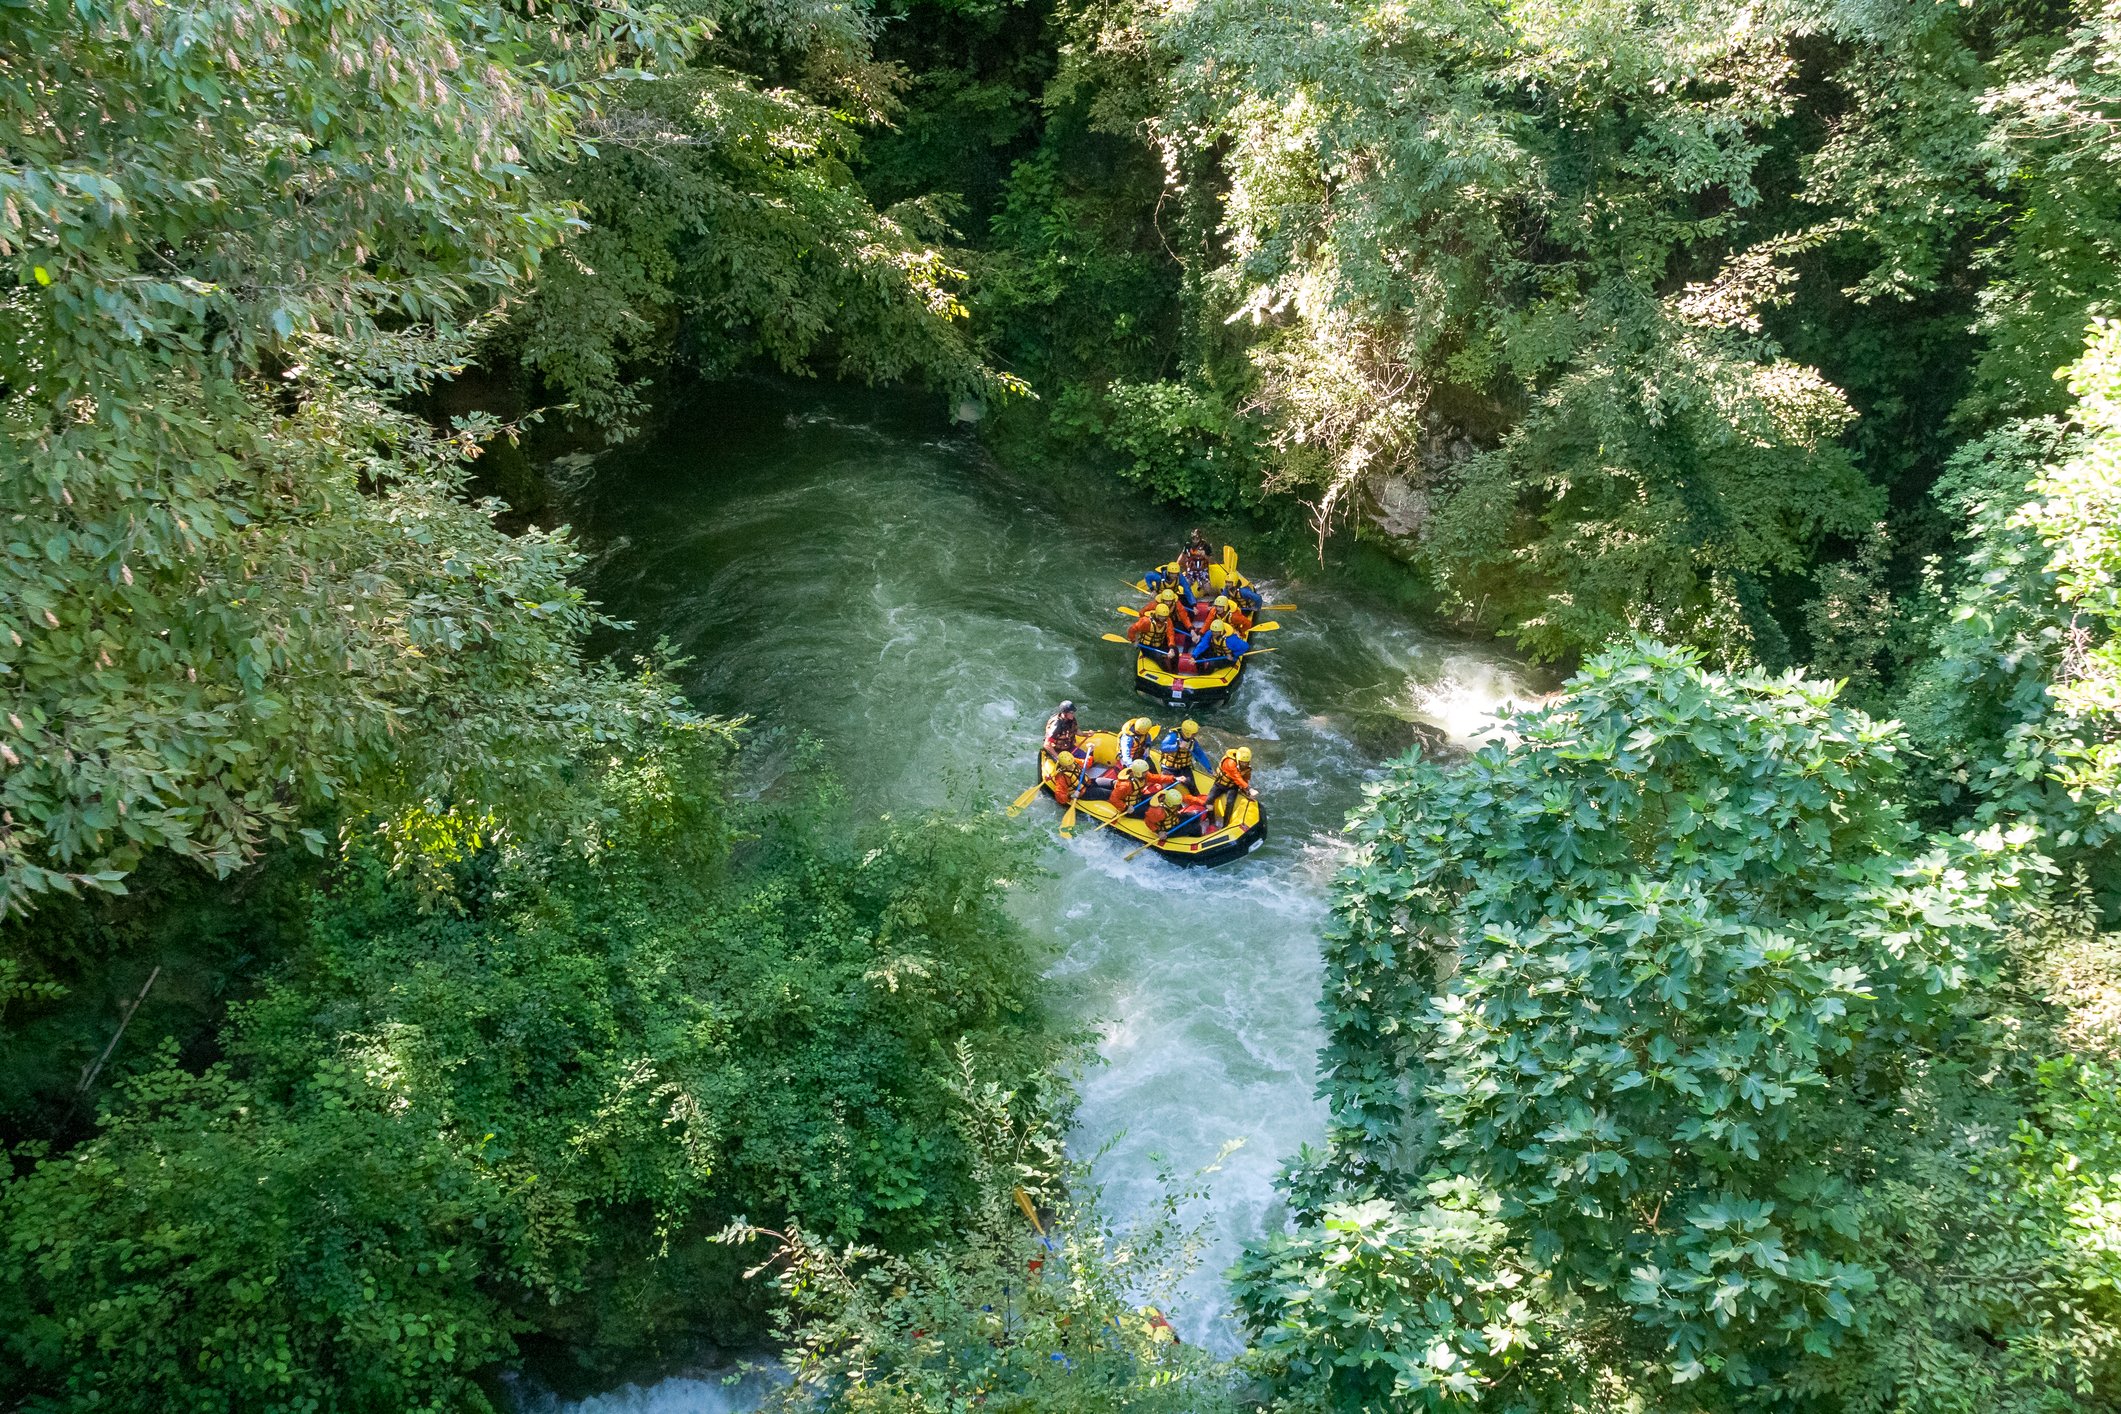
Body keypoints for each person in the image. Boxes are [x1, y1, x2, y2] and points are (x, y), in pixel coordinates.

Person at [1210, 745, 1256, 821]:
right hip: (1220, 783)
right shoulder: (1229, 762)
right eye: (1242, 762)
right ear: (1238, 759)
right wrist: (1249, 788)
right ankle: (1211, 821)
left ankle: (1225, 824)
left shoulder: (1247, 769)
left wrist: (1247, 793)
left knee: (1230, 803)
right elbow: (1236, 776)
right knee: (1209, 800)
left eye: (1246, 762)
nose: (1244, 764)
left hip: (1232, 786)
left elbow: (1244, 780)